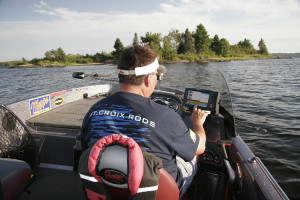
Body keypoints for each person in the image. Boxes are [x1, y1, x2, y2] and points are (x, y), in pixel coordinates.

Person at [80, 45, 207, 197]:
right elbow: (199, 148)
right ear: (148, 79)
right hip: (157, 194)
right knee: (192, 157)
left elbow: (85, 148)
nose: (157, 80)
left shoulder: (94, 111)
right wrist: (197, 123)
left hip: (107, 191)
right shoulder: (166, 116)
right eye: (157, 75)